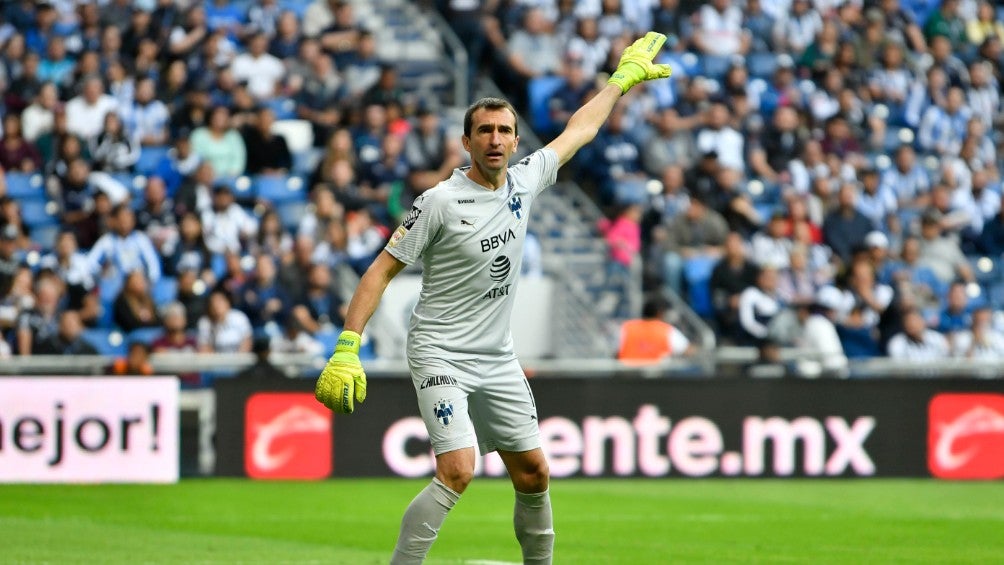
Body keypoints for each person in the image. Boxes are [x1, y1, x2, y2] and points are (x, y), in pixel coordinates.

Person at [313, 33, 672, 565]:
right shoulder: (437, 202)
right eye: (485, 131)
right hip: (439, 351)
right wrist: (348, 344)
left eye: (505, 130)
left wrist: (618, 82)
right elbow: (380, 270)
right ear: (467, 142)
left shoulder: (524, 183)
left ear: (515, 140)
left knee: (534, 472)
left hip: (496, 356)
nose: (497, 139)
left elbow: (581, 129)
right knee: (458, 469)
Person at [617, 297, 694, 363]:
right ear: (659, 313)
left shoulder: (626, 327)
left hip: (627, 376)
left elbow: (615, 349)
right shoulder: (666, 330)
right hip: (657, 377)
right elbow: (687, 350)